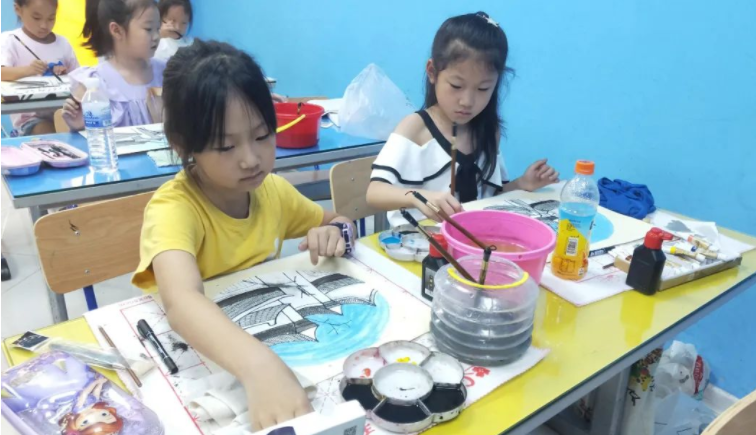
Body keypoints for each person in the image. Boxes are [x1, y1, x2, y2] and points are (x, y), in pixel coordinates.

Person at [132, 39, 355, 430]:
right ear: (184, 145)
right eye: (226, 146)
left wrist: (336, 232)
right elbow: (181, 301)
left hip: (275, 338)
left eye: (262, 135)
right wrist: (258, 367)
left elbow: (340, 219)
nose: (251, 159)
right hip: (204, 362)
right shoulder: (173, 209)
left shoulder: (273, 191)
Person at [367, 12, 560, 227]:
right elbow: (374, 192)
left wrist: (522, 183)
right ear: (432, 72)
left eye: (483, 88)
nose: (467, 101)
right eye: (456, 86)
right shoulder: (416, 129)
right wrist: (418, 197)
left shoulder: (489, 131)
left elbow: (489, 198)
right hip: (420, 241)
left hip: (474, 238)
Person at [62, 0, 164, 130]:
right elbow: (91, 135)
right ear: (116, 30)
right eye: (148, 29)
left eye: (158, 28)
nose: (156, 36)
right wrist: (78, 123)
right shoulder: (96, 83)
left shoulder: (168, 73)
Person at [0, 0, 79, 135]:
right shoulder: (10, 40)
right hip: (30, 119)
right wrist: (28, 70)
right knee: (50, 134)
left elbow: (79, 78)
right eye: (36, 18)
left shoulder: (63, 43)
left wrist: (65, 75)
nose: (44, 25)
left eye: (51, 18)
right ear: (18, 9)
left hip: (66, 112)